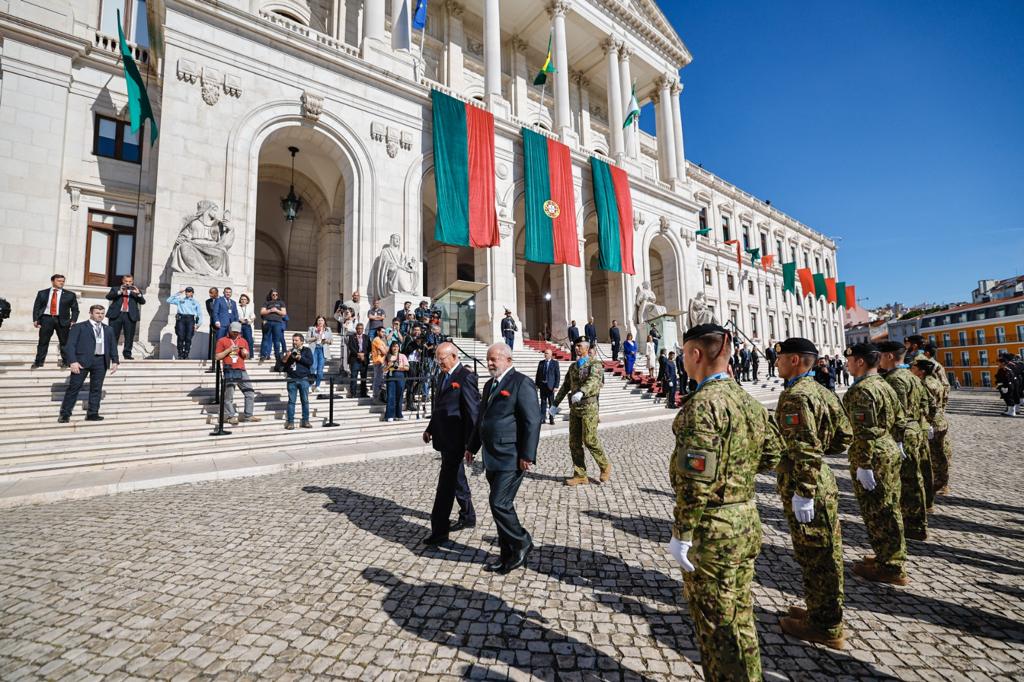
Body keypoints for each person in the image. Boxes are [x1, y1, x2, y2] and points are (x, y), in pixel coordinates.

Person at [666, 323, 784, 682]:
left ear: (696, 354)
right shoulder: (748, 401)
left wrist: (682, 531)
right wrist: (739, 473)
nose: (684, 360)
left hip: (713, 529)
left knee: (717, 624)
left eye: (685, 353)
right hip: (746, 518)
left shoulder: (702, 408)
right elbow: (775, 454)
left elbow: (695, 482)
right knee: (740, 614)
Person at [772, 338, 852, 650]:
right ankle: (822, 611)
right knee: (826, 553)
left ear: (794, 361)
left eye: (780, 359)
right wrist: (821, 451)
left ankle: (825, 625)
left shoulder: (796, 396)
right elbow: (844, 435)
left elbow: (805, 448)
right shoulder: (821, 389)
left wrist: (804, 490)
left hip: (809, 486)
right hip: (824, 481)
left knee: (816, 556)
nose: (776, 363)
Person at [466, 343, 541, 574]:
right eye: (488, 359)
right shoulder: (490, 384)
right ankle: (507, 555)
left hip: (512, 456)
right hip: (491, 456)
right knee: (501, 505)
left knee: (499, 502)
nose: (489, 363)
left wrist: (527, 454)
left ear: (507, 359)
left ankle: (522, 541)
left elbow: (532, 421)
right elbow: (482, 419)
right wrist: (472, 447)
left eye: (493, 359)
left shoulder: (521, 383)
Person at [842, 342, 908, 585]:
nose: (847, 364)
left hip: (874, 454)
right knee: (890, 506)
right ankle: (889, 556)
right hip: (888, 446)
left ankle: (890, 566)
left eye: (850, 360)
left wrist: (864, 464)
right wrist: (898, 443)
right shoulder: (884, 383)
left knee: (878, 510)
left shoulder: (861, 391)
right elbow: (901, 417)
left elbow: (865, 432)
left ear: (860, 361)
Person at [423, 342, 480, 545]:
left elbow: (473, 412)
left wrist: (472, 445)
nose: (439, 363)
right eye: (437, 360)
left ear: (454, 356)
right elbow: (440, 406)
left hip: (457, 440)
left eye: (442, 359)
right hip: (443, 438)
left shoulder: (466, 378)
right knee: (456, 478)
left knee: (445, 486)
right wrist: (430, 429)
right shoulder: (442, 376)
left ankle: (439, 531)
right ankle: (468, 515)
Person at [877, 340, 930, 541]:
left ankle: (912, 525)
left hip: (903, 434)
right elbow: (926, 402)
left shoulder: (895, 380)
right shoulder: (911, 376)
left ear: (889, 356)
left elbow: (895, 413)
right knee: (914, 478)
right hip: (914, 429)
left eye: (881, 355)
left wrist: (898, 437)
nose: (878, 360)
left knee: (905, 481)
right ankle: (917, 523)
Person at [550, 338, 610, 486]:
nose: (576, 348)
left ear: (586, 347)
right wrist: (555, 404)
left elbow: (593, 381)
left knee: (589, 439)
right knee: (574, 442)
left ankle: (604, 466)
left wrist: (582, 392)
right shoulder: (573, 367)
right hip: (575, 408)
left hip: (589, 407)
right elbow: (565, 386)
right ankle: (580, 474)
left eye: (579, 346)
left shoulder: (594, 364)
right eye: (575, 346)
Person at [57, 304, 119, 422]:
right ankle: (65, 414)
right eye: (97, 313)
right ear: (90, 313)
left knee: (96, 388)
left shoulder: (108, 329)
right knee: (74, 388)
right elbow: (69, 345)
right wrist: (73, 361)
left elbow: (112, 346)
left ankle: (92, 413)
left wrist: (115, 361)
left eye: (102, 313)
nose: (100, 315)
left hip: (101, 361)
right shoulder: (79, 327)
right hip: (81, 362)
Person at [215, 321, 260, 425]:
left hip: (241, 369)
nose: (236, 333)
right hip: (229, 369)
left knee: (249, 392)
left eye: (237, 332)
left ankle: (248, 415)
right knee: (228, 396)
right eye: (234, 331)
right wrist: (228, 350)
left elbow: (246, 356)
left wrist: (246, 354)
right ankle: (231, 416)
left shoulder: (243, 341)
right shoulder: (222, 340)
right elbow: (217, 357)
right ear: (229, 329)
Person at [33, 273, 79, 369]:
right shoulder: (42, 293)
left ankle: (66, 362)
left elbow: (75, 309)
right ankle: (39, 362)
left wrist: (73, 320)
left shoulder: (70, 295)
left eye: (63, 281)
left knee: (64, 342)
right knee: (43, 341)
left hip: (62, 320)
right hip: (46, 319)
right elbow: (36, 307)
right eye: (59, 281)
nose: (61, 283)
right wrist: (35, 319)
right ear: (53, 281)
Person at [105, 274, 145, 360]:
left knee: (129, 336)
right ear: (123, 281)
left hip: (130, 315)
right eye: (126, 281)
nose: (128, 283)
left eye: (130, 281)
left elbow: (142, 302)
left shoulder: (136, 290)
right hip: (116, 315)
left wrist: (138, 294)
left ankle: (127, 354)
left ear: (132, 282)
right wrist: (119, 292)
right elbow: (108, 297)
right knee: (113, 335)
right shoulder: (115, 288)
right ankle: (112, 354)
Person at [282, 333, 313, 430]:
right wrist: (287, 356)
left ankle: (306, 421)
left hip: (303, 378)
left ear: (302, 341)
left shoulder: (307, 350)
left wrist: (300, 358)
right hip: (292, 379)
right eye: (293, 340)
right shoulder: (289, 351)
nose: (294, 342)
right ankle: (290, 422)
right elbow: (282, 363)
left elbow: (310, 362)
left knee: (305, 401)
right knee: (291, 401)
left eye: (296, 340)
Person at [167, 286, 202, 360]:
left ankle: (186, 354)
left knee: (188, 338)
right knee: (180, 337)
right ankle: (180, 354)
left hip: (190, 319)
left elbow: (199, 314)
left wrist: (198, 324)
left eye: (189, 291)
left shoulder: (195, 302)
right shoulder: (180, 300)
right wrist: (178, 293)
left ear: (192, 293)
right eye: (186, 291)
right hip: (181, 319)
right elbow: (168, 300)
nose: (187, 293)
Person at [382, 340, 409, 421]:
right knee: (390, 396)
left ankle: (399, 415)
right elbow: (383, 369)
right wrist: (389, 366)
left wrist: (399, 367)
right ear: (391, 347)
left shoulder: (403, 356)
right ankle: (390, 415)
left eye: (397, 346)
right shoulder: (387, 356)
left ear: (399, 348)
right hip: (390, 376)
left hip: (400, 376)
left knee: (400, 395)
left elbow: (407, 368)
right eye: (394, 346)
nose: (395, 348)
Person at [306, 315, 333, 393]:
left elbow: (331, 341)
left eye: (322, 320)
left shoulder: (328, 329)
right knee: (313, 367)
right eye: (319, 320)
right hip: (314, 349)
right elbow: (307, 339)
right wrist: (315, 338)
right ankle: (310, 385)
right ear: (316, 321)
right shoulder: (312, 329)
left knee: (320, 369)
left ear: (324, 322)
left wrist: (326, 340)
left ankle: (318, 385)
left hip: (322, 350)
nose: (320, 322)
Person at [259, 290, 287, 363]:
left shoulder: (281, 303)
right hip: (267, 322)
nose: (275, 296)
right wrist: (270, 310)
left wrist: (277, 311)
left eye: (276, 294)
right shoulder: (267, 302)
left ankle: (277, 355)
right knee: (265, 338)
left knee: (276, 340)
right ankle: (263, 355)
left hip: (277, 323)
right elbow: (262, 312)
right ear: (270, 295)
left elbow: (284, 313)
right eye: (273, 294)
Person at [535, 348, 560, 425]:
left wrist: (556, 386)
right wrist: (536, 384)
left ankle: (551, 419)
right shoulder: (541, 363)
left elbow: (557, 375)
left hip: (551, 387)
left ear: (551, 354)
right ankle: (543, 418)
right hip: (542, 386)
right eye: (545, 353)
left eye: (547, 353)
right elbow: (538, 374)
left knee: (552, 403)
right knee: (543, 402)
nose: (545, 354)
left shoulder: (555, 363)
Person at [347, 323, 371, 398]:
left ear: (363, 329)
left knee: (364, 377)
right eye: (358, 328)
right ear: (356, 329)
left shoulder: (366, 337)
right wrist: (358, 354)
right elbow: (350, 347)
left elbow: (369, 348)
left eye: (361, 328)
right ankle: (353, 393)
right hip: (355, 359)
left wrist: (363, 354)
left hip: (364, 359)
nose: (359, 330)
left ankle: (363, 393)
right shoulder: (351, 337)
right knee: (354, 376)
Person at [371, 326, 388, 401]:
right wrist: (385, 349)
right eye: (382, 332)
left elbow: (385, 351)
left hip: (382, 362)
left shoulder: (382, 341)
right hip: (378, 362)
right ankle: (376, 397)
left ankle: (380, 397)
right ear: (378, 332)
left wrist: (385, 350)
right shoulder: (377, 340)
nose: (384, 333)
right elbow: (385, 352)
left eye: (384, 332)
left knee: (381, 380)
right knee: (378, 380)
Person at [204, 287, 219, 362]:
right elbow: (210, 312)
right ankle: (211, 356)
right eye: (209, 292)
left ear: (216, 293)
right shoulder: (208, 301)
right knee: (212, 340)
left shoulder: (221, 300)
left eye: (211, 292)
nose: (210, 294)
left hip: (221, 323)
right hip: (212, 323)